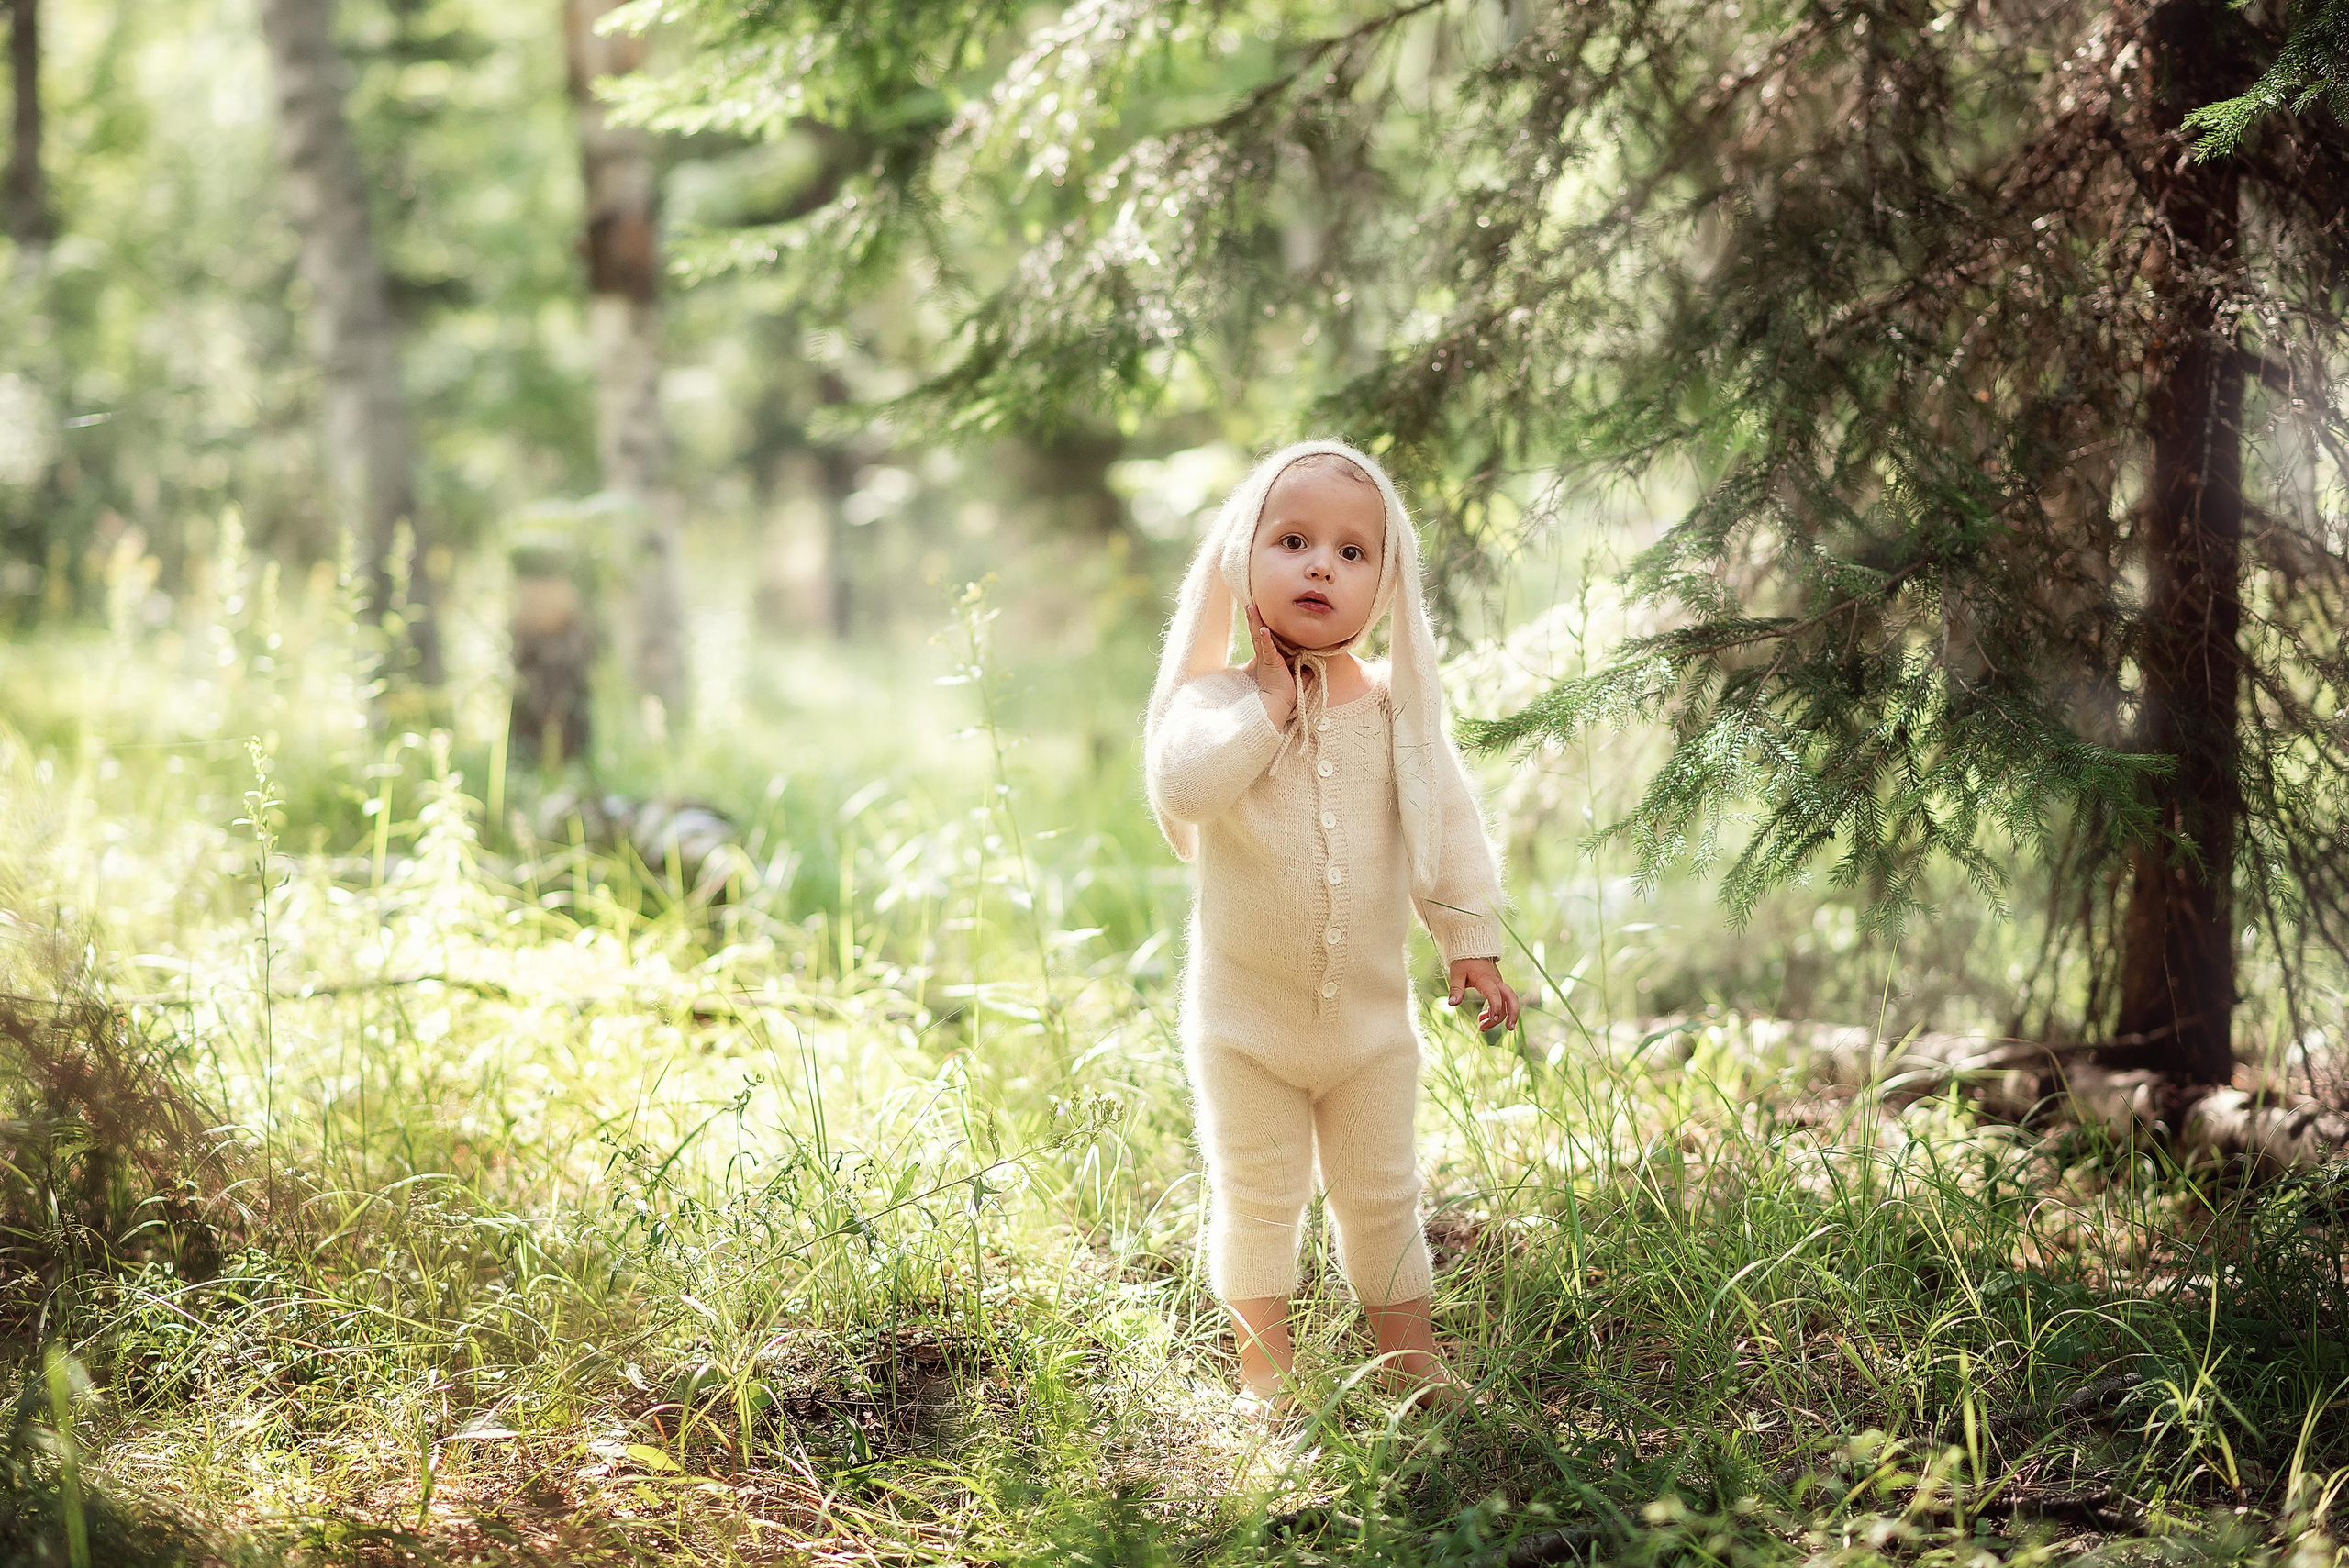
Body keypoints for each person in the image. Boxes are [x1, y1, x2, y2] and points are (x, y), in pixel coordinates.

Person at [1143, 439, 1521, 1418]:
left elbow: (1448, 824)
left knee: (1381, 1191)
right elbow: (1183, 787)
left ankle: (1410, 1362)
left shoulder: (1399, 710)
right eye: (1295, 539)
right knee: (1259, 1193)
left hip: (1366, 1028)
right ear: (1241, 559)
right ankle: (1264, 1374)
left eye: (1354, 553)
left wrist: (1467, 937)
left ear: (1387, 584)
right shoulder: (1214, 699)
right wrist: (1267, 705)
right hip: (1244, 1027)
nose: (1321, 564)